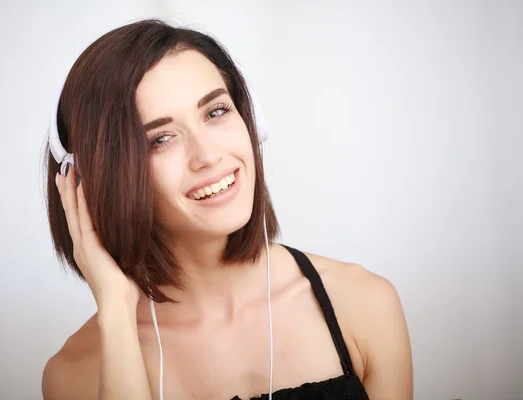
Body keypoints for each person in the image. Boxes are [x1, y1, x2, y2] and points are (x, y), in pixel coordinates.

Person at [41, 19, 413, 400]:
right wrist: (117, 313)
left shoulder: (363, 303)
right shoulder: (76, 374)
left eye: (215, 112)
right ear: (95, 182)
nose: (208, 155)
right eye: (161, 139)